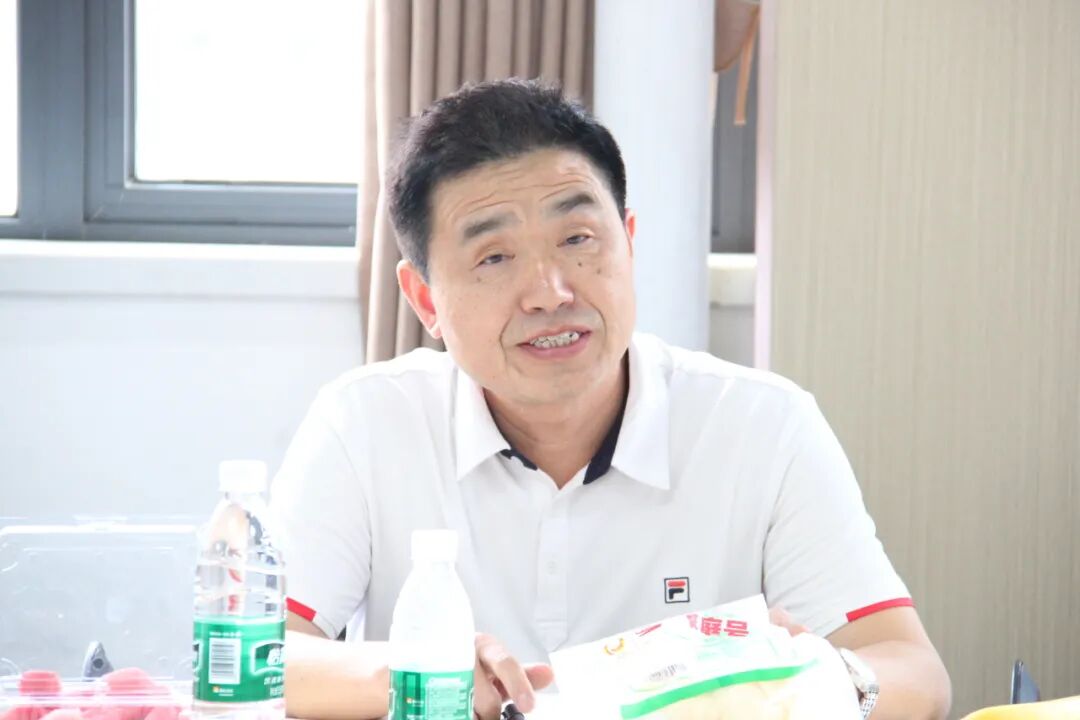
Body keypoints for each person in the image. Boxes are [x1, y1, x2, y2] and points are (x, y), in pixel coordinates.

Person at [270, 79, 951, 720]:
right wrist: (416, 671)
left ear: (628, 242)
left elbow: (914, 673)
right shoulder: (365, 422)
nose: (550, 292)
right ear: (425, 300)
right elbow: (262, 655)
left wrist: (814, 681)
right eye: (494, 258)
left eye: (578, 240)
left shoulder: (763, 425)